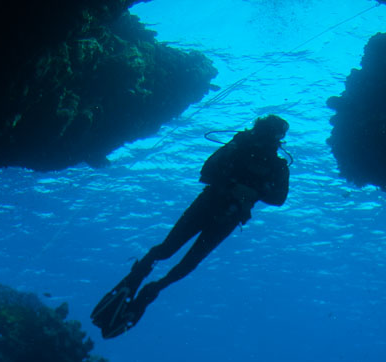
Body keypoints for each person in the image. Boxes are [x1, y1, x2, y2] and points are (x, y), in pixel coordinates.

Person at [91, 114, 290, 337]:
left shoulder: (269, 162)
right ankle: (145, 284)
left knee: (177, 256)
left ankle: (145, 283)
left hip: (218, 211)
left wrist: (250, 191)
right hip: (216, 209)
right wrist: (239, 189)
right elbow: (208, 171)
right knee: (178, 256)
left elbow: (278, 198)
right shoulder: (244, 150)